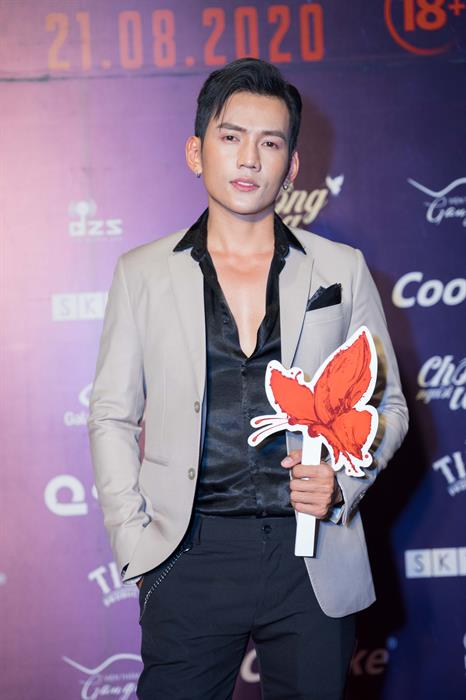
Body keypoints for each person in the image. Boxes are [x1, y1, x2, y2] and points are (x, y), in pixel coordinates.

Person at [88, 57, 409, 700]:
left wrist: (343, 482)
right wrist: (135, 539)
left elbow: (390, 406)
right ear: (196, 151)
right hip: (189, 553)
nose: (249, 159)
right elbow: (112, 415)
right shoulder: (141, 273)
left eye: (270, 143)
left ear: (291, 165)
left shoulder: (341, 269)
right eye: (231, 136)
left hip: (314, 555)